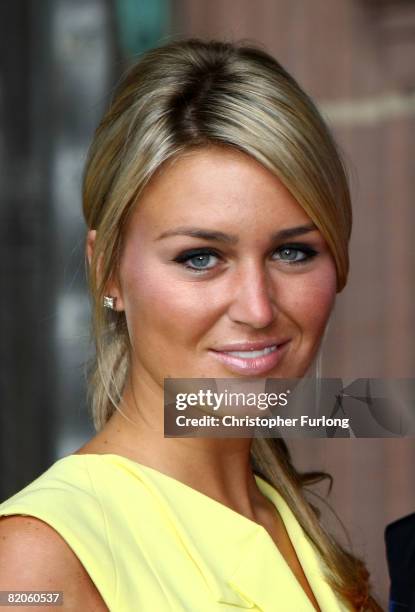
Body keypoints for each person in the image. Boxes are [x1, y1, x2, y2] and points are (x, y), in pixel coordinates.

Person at [0, 38, 382, 611]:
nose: (257, 308)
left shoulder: (294, 531)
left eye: (294, 253)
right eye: (200, 257)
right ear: (107, 271)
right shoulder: (41, 556)